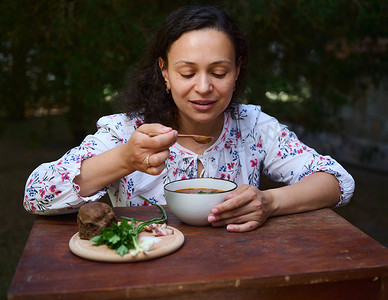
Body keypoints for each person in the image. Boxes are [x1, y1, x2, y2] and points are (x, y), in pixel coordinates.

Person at [23, 5, 355, 232]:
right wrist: (125, 159)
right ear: (164, 72)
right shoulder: (125, 132)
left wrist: (269, 201)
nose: (204, 87)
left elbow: (336, 180)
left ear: (237, 71)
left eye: (219, 71)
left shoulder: (252, 127)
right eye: (187, 72)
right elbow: (36, 195)